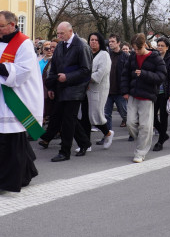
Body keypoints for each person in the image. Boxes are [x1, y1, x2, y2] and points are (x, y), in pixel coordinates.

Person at [0, 11, 43, 198]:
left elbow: (23, 71)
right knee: (9, 143)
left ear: (13, 24)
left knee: (2, 143)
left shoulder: (24, 43)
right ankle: (26, 172)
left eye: (1, 26)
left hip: (10, 99)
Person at [39, 22, 93, 162]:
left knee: (68, 120)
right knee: (68, 118)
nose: (59, 36)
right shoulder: (60, 46)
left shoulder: (81, 46)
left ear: (70, 31)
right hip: (60, 88)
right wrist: (50, 87)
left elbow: (86, 70)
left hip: (75, 89)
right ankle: (84, 142)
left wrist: (68, 77)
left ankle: (65, 151)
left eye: (61, 33)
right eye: (58, 33)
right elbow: (54, 68)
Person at [119, 33, 166, 163]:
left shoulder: (155, 57)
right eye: (134, 49)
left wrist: (144, 74)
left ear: (144, 45)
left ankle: (140, 152)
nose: (136, 51)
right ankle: (143, 140)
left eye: (138, 49)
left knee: (145, 126)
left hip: (147, 96)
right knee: (130, 123)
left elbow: (162, 76)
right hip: (133, 95)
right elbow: (125, 75)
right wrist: (125, 91)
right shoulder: (132, 56)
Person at [87, 32, 114, 148]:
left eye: (96, 40)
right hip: (85, 89)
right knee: (84, 117)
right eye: (91, 39)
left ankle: (108, 133)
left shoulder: (104, 55)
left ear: (100, 42)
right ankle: (86, 144)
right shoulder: (87, 53)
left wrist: (85, 77)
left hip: (98, 89)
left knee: (96, 115)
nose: (93, 42)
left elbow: (100, 73)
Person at [153, 37, 170, 152]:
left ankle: (160, 140)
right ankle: (163, 134)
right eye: (158, 45)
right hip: (154, 91)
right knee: (152, 116)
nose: (160, 47)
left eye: (162, 45)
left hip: (164, 92)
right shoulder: (154, 57)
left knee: (163, 117)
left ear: (167, 47)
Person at [104, 34, 128, 129]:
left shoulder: (125, 57)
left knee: (125, 114)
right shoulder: (107, 56)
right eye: (109, 41)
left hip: (120, 91)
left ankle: (132, 132)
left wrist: (126, 90)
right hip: (107, 91)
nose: (110, 43)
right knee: (106, 115)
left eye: (113, 41)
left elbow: (128, 75)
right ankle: (107, 136)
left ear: (118, 43)